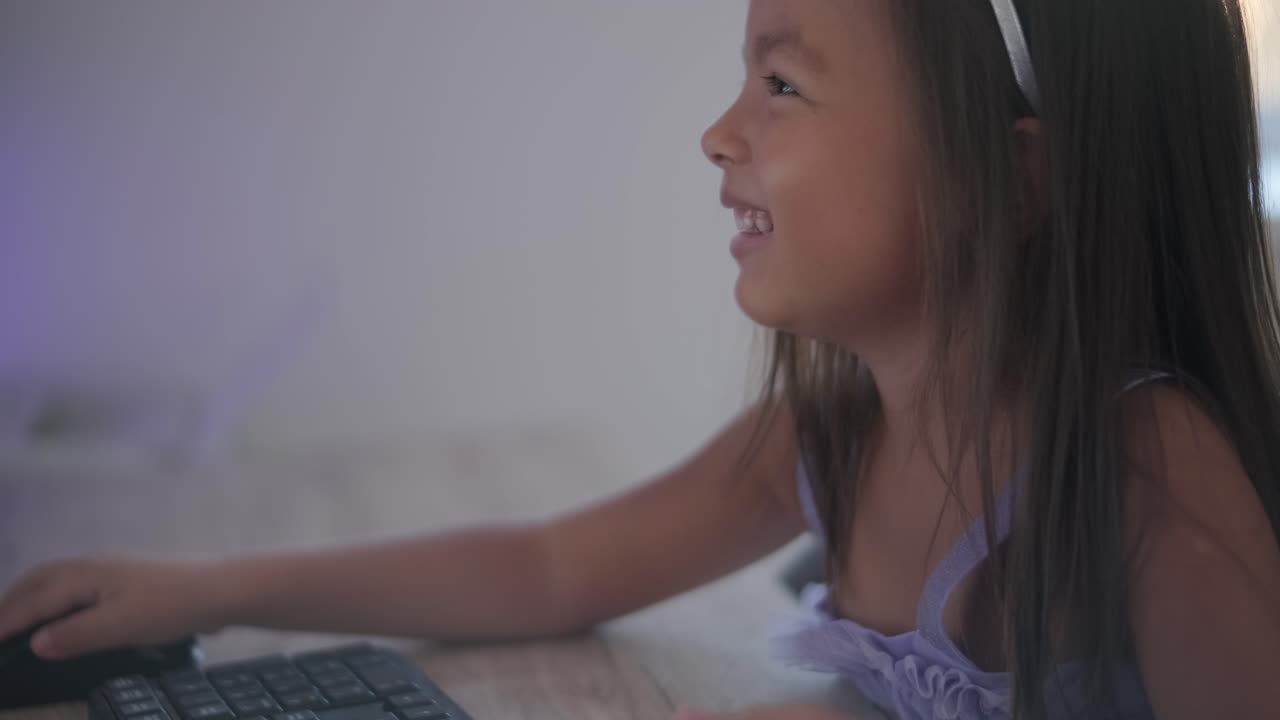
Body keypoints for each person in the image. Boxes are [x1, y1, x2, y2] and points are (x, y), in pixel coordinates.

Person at [4, 1, 1280, 717]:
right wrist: (209, 591)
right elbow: (550, 567)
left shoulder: (1145, 481)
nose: (716, 134)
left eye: (779, 84)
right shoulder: (838, 434)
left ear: (1002, 179)